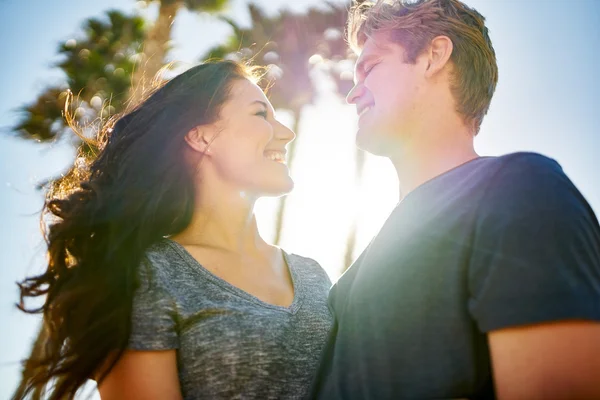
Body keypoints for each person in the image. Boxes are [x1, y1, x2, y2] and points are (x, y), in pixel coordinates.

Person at [311, 0, 600, 399]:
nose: (352, 94)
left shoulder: (520, 189)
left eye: (371, 66)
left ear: (434, 55)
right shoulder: (355, 274)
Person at [14, 60, 333, 400]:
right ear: (201, 136)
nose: (287, 132)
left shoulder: (313, 276)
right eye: (260, 114)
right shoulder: (145, 275)